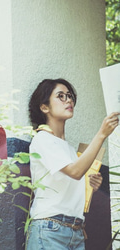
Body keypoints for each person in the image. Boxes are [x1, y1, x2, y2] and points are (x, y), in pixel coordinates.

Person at [26, 78, 120, 250]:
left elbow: (73, 179)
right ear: (44, 107)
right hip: (49, 231)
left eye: (69, 96)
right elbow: (75, 172)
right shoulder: (42, 139)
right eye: (60, 96)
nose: (68, 100)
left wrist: (92, 183)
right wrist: (101, 134)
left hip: (76, 232)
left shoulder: (68, 150)